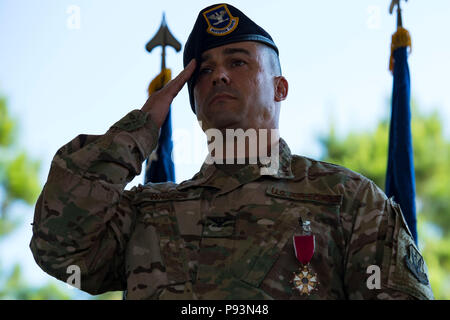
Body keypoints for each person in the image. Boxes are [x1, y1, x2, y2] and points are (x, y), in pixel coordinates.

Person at [30, 3, 434, 300]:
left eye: (238, 61)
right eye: (203, 70)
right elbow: (59, 246)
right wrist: (140, 128)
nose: (219, 74)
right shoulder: (146, 212)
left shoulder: (349, 200)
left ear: (280, 88)